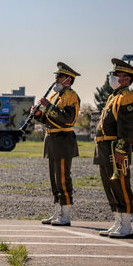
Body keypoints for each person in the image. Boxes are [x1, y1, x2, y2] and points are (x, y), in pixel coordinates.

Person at [96, 59, 133, 238]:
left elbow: (127, 127)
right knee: (110, 185)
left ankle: (127, 224)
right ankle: (117, 220)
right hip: (105, 146)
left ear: (127, 79)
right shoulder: (114, 96)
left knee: (121, 183)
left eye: (117, 75)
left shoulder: (126, 97)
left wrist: (120, 150)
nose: (112, 77)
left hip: (115, 147)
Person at [34, 62, 81, 226]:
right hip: (52, 140)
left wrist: (48, 106)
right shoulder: (56, 96)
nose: (56, 78)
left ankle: (66, 213)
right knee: (54, 179)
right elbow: (49, 119)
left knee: (62, 178)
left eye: (59, 76)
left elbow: (67, 119)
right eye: (56, 75)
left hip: (63, 140)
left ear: (68, 79)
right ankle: (57, 211)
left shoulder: (71, 96)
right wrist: (39, 114)